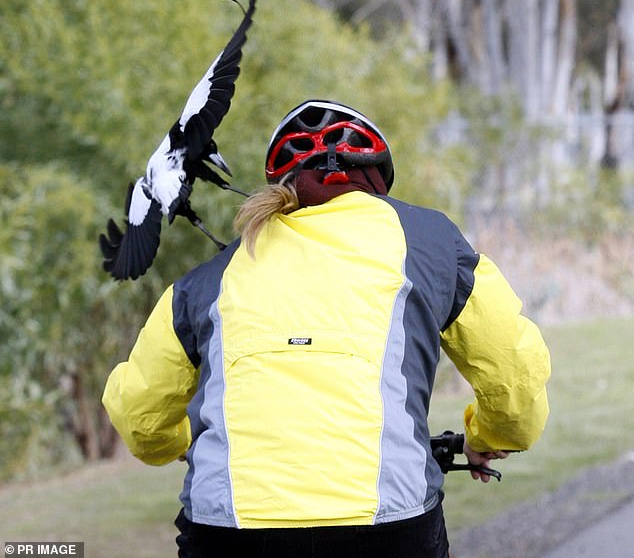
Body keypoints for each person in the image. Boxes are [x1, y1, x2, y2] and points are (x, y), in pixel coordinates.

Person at [102, 99, 551, 558]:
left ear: (283, 183)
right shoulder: (430, 242)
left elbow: (139, 417)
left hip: (229, 532)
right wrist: (487, 439)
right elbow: (515, 379)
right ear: (374, 179)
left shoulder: (208, 279)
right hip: (386, 528)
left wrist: (177, 441)